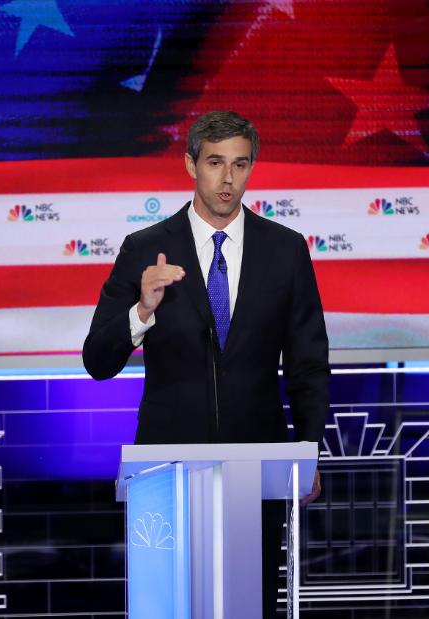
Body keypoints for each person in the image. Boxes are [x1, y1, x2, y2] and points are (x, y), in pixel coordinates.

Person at [83, 111, 331, 616]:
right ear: (190, 165)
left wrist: (308, 450)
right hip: (166, 464)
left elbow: (307, 362)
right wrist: (141, 311)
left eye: (240, 165)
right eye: (215, 163)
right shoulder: (146, 249)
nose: (228, 178)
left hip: (257, 463)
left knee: (251, 600)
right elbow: (97, 361)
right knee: (168, 603)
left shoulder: (285, 250)